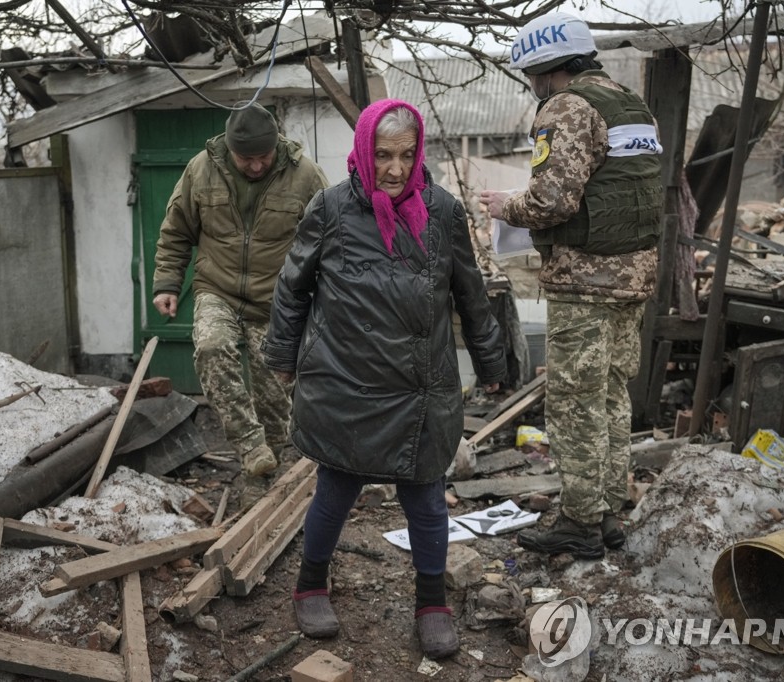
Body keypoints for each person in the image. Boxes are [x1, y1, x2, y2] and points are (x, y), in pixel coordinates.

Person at [261, 99, 506, 659]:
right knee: (335, 490)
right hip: (346, 380)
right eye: (383, 154)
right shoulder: (329, 208)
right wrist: (281, 356)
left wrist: (492, 363)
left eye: (405, 154)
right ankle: (311, 585)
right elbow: (292, 288)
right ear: (364, 153)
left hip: (420, 386)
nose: (395, 169)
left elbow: (469, 292)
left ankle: (431, 602)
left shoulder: (442, 211)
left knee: (425, 499)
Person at [479, 11, 664, 560]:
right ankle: (606, 511)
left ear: (544, 67)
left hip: (585, 280)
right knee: (608, 396)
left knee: (575, 403)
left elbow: (552, 201)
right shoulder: (631, 103)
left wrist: (503, 205)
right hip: (632, 277)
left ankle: (581, 523)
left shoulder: (566, 107)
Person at [152, 102, 328, 498]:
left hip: (278, 301)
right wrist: (166, 283)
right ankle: (249, 445)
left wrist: (325, 302)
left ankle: (262, 477)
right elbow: (176, 231)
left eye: (262, 157)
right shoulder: (201, 169)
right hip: (218, 288)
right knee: (212, 348)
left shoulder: (305, 177)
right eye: (245, 158)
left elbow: (330, 243)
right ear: (229, 148)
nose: (254, 166)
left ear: (276, 146)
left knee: (273, 397)